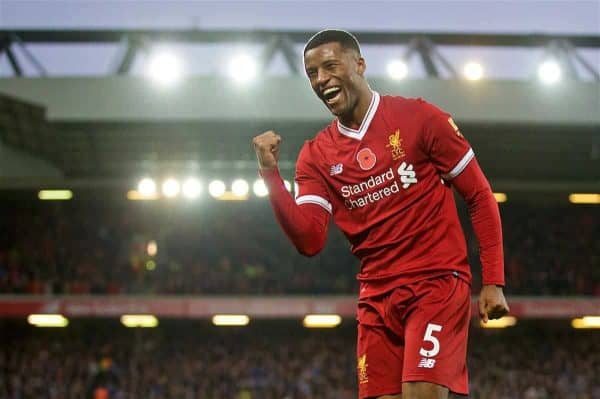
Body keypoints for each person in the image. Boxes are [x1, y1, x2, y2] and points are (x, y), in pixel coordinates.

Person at [252, 29, 509, 399]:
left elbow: (479, 195)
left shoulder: (419, 117)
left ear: (359, 64)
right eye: (312, 73)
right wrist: (269, 174)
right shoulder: (316, 155)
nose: (321, 79)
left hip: (435, 283)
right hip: (376, 299)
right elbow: (309, 239)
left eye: (329, 66)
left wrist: (493, 280)